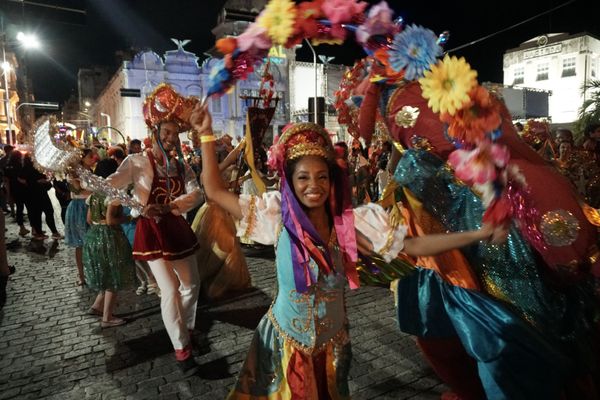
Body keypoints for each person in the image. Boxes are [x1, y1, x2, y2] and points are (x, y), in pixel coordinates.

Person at [190, 104, 506, 399]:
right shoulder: (276, 217)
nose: (312, 185)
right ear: (290, 181)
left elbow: (413, 246)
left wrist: (477, 233)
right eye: (303, 177)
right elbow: (215, 190)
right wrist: (206, 134)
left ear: (331, 180)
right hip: (285, 346)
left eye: (321, 176)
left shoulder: (351, 225)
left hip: (334, 347)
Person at [105, 83, 202, 376]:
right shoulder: (136, 162)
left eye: (176, 133)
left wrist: (171, 206)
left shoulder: (181, 166)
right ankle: (181, 347)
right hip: (151, 230)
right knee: (169, 289)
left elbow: (197, 193)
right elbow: (111, 185)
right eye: (167, 133)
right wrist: (137, 206)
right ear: (155, 133)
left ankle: (184, 327)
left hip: (176, 226)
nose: (172, 139)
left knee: (192, 284)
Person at [83, 158, 135, 328]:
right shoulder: (113, 194)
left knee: (105, 273)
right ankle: (107, 318)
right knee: (114, 276)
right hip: (110, 237)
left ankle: (97, 306)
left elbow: (89, 219)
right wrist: (129, 217)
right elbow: (111, 220)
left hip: (93, 236)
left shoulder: (93, 195)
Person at [65, 149, 96, 286]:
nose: (94, 158)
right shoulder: (73, 173)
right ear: (82, 158)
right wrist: (98, 190)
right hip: (79, 208)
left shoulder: (90, 172)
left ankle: (94, 273)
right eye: (90, 156)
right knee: (80, 244)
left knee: (92, 243)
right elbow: (78, 190)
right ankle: (82, 276)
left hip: (91, 206)